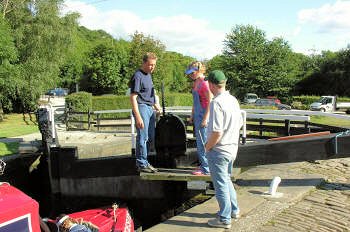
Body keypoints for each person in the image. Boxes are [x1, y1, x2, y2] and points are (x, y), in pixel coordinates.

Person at [204, 70, 242, 229]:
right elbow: (239, 123)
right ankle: (234, 210)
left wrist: (207, 147)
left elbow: (217, 131)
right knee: (226, 180)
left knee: (220, 185)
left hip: (219, 150)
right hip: (232, 148)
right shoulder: (233, 100)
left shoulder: (217, 102)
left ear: (212, 84)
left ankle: (224, 219)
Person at [130, 52, 161, 173]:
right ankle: (141, 163)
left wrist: (156, 106)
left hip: (149, 108)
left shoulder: (148, 75)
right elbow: (133, 97)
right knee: (143, 137)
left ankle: (145, 161)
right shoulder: (138, 76)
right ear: (144, 63)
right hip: (141, 107)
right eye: (150, 65)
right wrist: (137, 116)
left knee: (150, 137)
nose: (152, 67)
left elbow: (150, 94)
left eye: (154, 65)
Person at [185, 61, 211, 175]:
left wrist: (205, 119)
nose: (190, 75)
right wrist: (192, 115)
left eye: (192, 72)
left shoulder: (205, 83)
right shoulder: (196, 83)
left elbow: (211, 101)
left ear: (199, 70)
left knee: (204, 142)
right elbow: (195, 102)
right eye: (189, 73)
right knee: (200, 142)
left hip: (203, 115)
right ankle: (203, 165)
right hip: (197, 115)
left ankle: (206, 168)